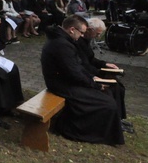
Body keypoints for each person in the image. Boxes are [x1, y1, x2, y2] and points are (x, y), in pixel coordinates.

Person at [41, 15, 124, 145]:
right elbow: (73, 72)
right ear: (72, 29)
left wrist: (92, 78)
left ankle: (107, 128)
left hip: (67, 82)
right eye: (81, 33)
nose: (82, 36)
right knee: (107, 103)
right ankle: (72, 129)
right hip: (61, 85)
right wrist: (94, 84)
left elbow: (77, 67)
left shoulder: (65, 41)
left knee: (107, 95)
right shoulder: (61, 45)